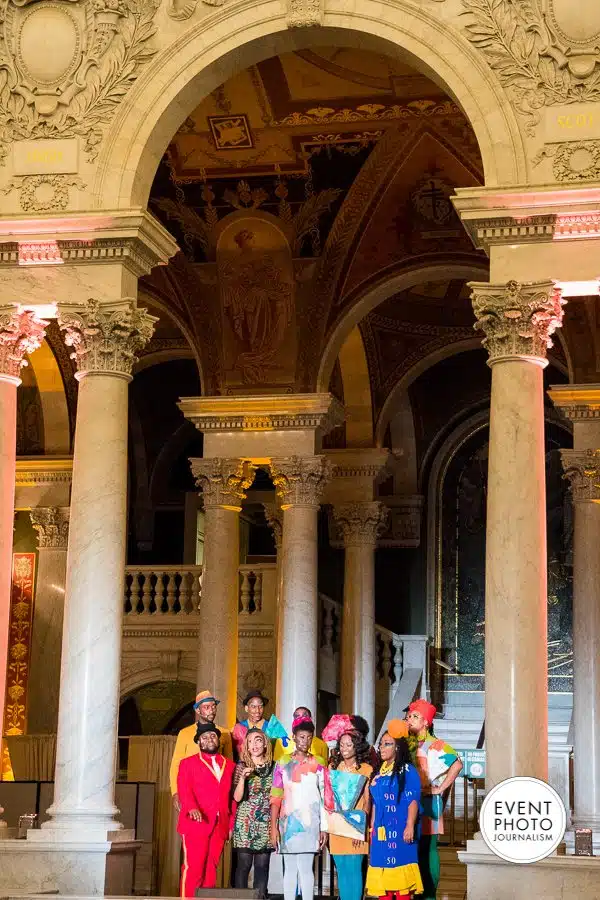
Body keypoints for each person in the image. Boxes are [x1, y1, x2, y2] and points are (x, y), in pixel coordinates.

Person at [406, 699, 462, 900]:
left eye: (415, 716)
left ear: (426, 722)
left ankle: (429, 894)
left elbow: (457, 764)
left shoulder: (435, 744)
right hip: (409, 800)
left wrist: (440, 788)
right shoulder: (407, 744)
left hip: (428, 801)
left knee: (428, 848)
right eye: (409, 715)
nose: (409, 719)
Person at [270, 716, 328, 900]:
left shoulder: (319, 763)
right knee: (290, 870)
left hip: (311, 824)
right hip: (288, 825)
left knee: (306, 869)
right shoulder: (282, 762)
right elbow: (276, 797)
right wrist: (273, 827)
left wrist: (323, 827)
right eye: (301, 736)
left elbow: (325, 797)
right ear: (294, 737)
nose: (305, 741)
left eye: (309, 737)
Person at [177, 721, 236, 897]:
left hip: (220, 824)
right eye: (205, 737)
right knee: (194, 868)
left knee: (211, 869)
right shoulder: (188, 763)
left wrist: (231, 824)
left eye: (213, 736)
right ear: (199, 742)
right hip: (197, 822)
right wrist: (192, 807)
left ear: (218, 740)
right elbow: (184, 788)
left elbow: (233, 798)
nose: (209, 739)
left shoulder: (229, 765)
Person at [366, 719, 423, 900]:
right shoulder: (379, 771)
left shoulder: (407, 770)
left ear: (397, 747)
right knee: (384, 883)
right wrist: (372, 827)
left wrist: (409, 826)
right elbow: (376, 803)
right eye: (381, 744)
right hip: (381, 832)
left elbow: (412, 799)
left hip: (400, 830)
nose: (382, 748)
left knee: (401, 885)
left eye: (387, 744)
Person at [329, 729, 373, 900]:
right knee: (341, 870)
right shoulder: (333, 768)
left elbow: (368, 801)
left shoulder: (366, 769)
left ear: (357, 747)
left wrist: (361, 826)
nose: (345, 748)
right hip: (337, 825)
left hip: (356, 826)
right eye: (342, 744)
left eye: (349, 744)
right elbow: (329, 797)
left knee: (354, 869)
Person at [170, 689, 233, 809]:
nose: (211, 711)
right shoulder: (185, 733)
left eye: (214, 707)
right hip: (191, 791)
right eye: (207, 707)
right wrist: (175, 792)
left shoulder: (225, 733)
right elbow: (175, 765)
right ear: (198, 710)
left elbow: (229, 765)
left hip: (216, 793)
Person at [232, 728, 275, 898]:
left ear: (265, 743)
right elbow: (236, 798)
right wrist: (242, 777)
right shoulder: (241, 766)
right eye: (249, 742)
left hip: (265, 822)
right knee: (243, 865)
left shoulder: (275, 766)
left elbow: (279, 795)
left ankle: (260, 897)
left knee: (262, 866)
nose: (254, 745)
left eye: (258, 740)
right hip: (245, 823)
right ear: (246, 747)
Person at [232, 690, 271, 759]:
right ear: (246, 708)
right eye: (253, 707)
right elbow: (235, 753)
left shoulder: (271, 727)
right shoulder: (239, 728)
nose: (258, 711)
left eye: (260, 706)